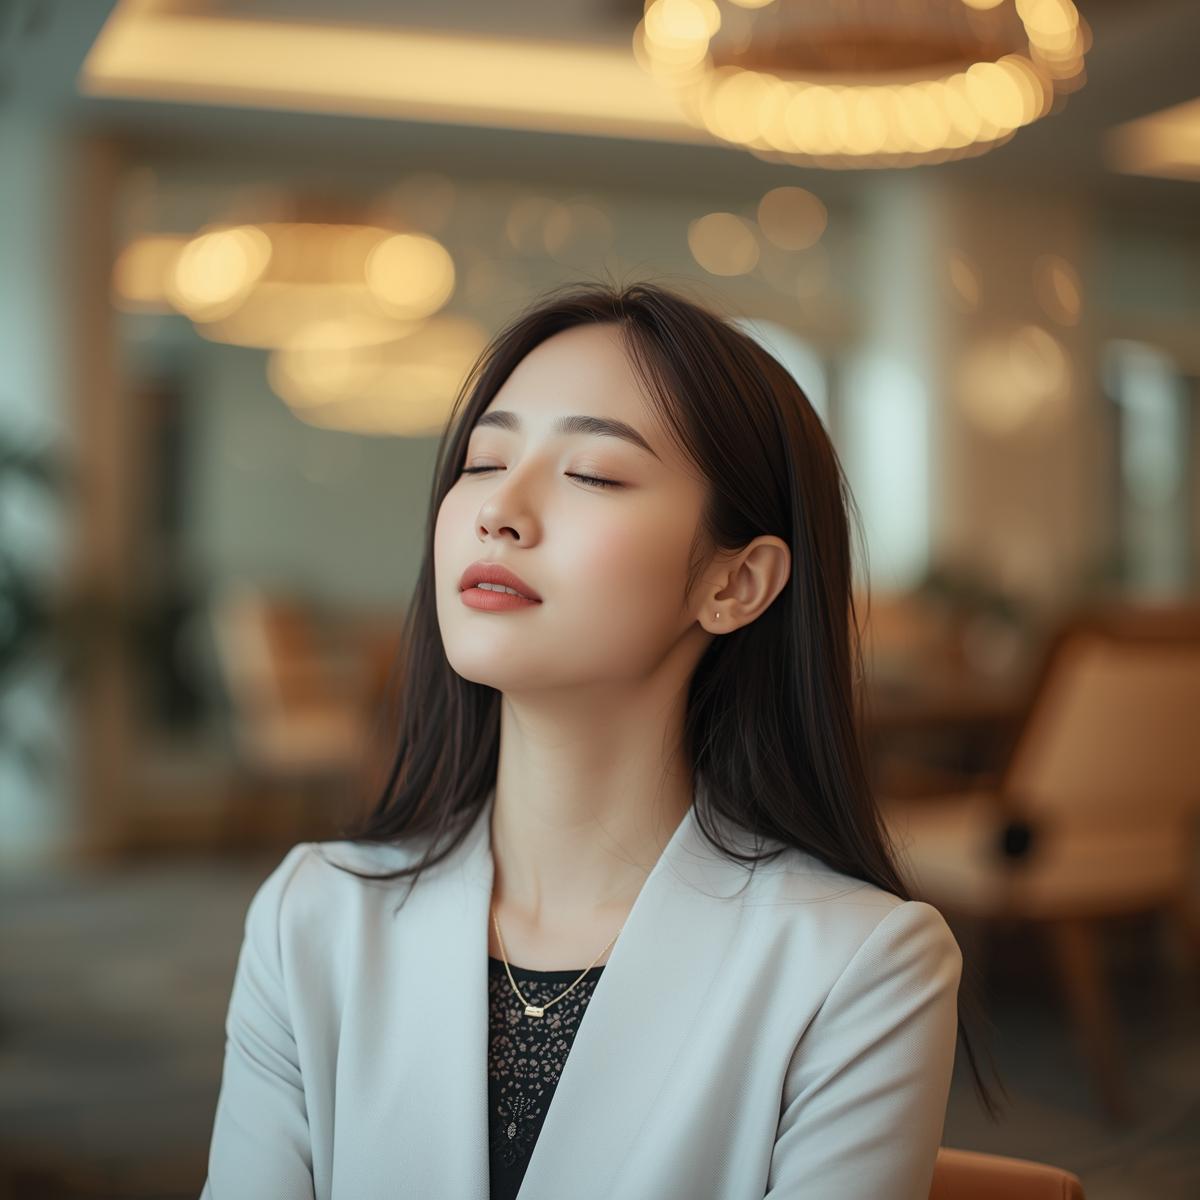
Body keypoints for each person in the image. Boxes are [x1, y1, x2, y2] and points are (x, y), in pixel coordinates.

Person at [200, 280, 1002, 1200]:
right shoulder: (315, 917)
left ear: (736, 584)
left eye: (593, 474)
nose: (499, 511)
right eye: (483, 461)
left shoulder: (858, 968)